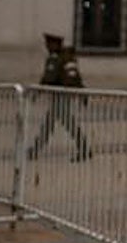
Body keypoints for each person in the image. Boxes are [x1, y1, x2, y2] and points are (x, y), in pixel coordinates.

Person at [27, 33, 91, 163]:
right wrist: (82, 93)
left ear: (55, 44)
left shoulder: (56, 58)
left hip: (60, 95)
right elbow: (75, 77)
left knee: (66, 124)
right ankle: (35, 149)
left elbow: (49, 77)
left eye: (48, 44)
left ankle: (84, 148)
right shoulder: (68, 58)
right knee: (51, 124)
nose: (47, 46)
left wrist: (37, 92)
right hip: (62, 94)